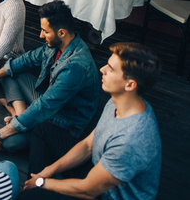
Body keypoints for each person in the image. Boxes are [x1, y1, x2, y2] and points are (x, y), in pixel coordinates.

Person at [21, 42, 162, 200]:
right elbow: (88, 145)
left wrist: (43, 183)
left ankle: (34, 191)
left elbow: (88, 191)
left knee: (29, 196)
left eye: (111, 68)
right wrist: (47, 172)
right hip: (98, 169)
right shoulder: (117, 101)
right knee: (44, 129)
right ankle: (33, 187)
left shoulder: (130, 140)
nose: (102, 69)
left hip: (103, 194)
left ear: (129, 85)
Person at [0, 0, 99, 153]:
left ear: (62, 32)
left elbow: (45, 106)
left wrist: (0, 134)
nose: (40, 35)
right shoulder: (58, 44)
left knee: (9, 143)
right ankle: (20, 112)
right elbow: (26, 60)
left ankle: (18, 115)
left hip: (63, 122)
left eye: (45, 31)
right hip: (46, 102)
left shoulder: (74, 67)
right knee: (8, 70)